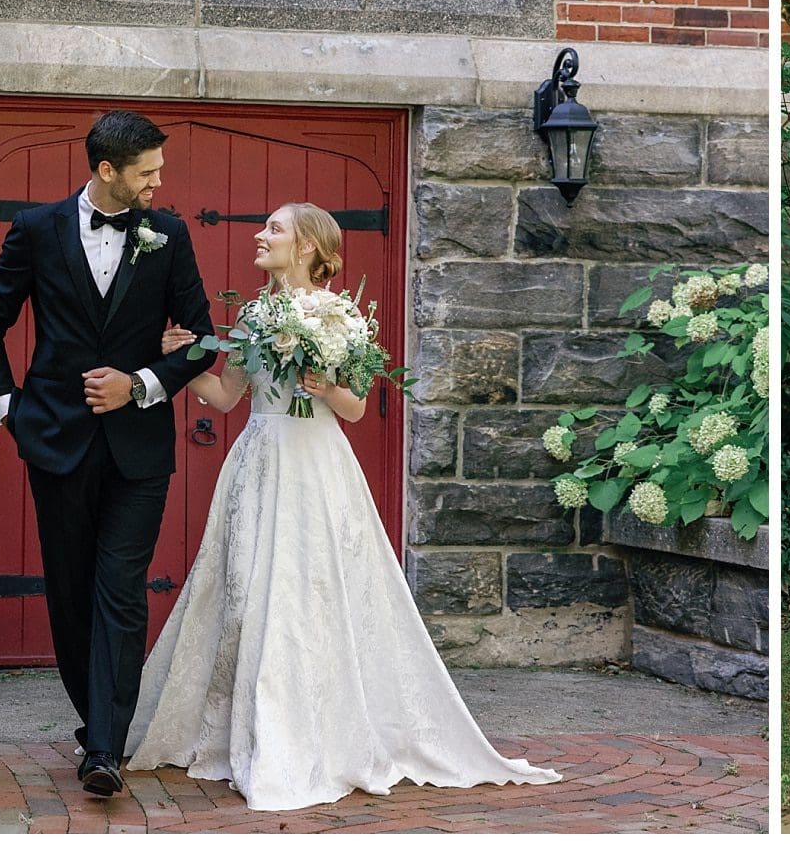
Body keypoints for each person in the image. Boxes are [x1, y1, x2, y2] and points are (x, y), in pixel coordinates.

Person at [123, 202, 562, 811]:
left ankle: (314, 732)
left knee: (312, 590)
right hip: (259, 459)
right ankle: (244, 729)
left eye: (274, 229)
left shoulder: (341, 315)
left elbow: (354, 408)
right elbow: (225, 397)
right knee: (246, 592)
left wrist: (326, 387)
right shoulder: (252, 316)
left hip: (316, 465)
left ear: (306, 246)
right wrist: (183, 359)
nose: (261, 234)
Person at [0, 110, 218, 797]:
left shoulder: (167, 234)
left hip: (140, 449)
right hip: (55, 440)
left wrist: (140, 384)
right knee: (73, 593)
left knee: (120, 589)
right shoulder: (36, 230)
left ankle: (104, 748)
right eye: (148, 173)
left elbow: (202, 337)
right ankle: (95, 724)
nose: (159, 183)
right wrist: (9, 409)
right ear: (107, 171)